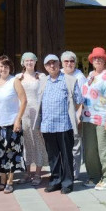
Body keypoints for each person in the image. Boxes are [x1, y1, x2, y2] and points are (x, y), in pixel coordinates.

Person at [35, 54, 83, 195]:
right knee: (53, 155)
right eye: (48, 64)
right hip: (48, 125)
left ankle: (67, 182)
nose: (52, 66)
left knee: (67, 155)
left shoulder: (69, 80)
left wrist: (78, 116)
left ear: (58, 64)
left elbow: (79, 99)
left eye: (54, 63)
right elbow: (40, 102)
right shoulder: (43, 81)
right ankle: (55, 180)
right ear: (45, 67)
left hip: (64, 125)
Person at [81, 47, 106, 190]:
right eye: (95, 58)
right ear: (91, 61)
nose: (97, 60)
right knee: (91, 150)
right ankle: (94, 177)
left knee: (105, 149)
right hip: (89, 118)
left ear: (105, 61)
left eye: (100, 58)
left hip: (104, 117)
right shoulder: (90, 76)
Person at [0, 55, 26, 193]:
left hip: (12, 123)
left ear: (10, 68)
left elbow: (24, 100)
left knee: (11, 153)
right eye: (1, 66)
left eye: (6, 66)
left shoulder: (14, 81)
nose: (3, 69)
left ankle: (10, 181)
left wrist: (18, 120)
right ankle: (2, 182)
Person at [15, 52, 47, 185]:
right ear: (22, 62)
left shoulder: (41, 76)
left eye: (32, 60)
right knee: (26, 143)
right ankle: (27, 173)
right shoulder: (18, 77)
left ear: (35, 62)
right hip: (23, 112)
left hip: (37, 111)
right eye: (26, 60)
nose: (29, 63)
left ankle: (38, 173)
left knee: (38, 141)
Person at [61, 51, 87, 182]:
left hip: (75, 115)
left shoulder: (79, 77)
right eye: (66, 61)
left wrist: (79, 117)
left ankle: (75, 173)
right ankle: (64, 170)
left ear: (75, 63)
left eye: (71, 61)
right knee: (63, 144)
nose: (69, 64)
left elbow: (82, 99)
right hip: (61, 116)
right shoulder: (59, 74)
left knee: (75, 145)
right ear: (62, 63)